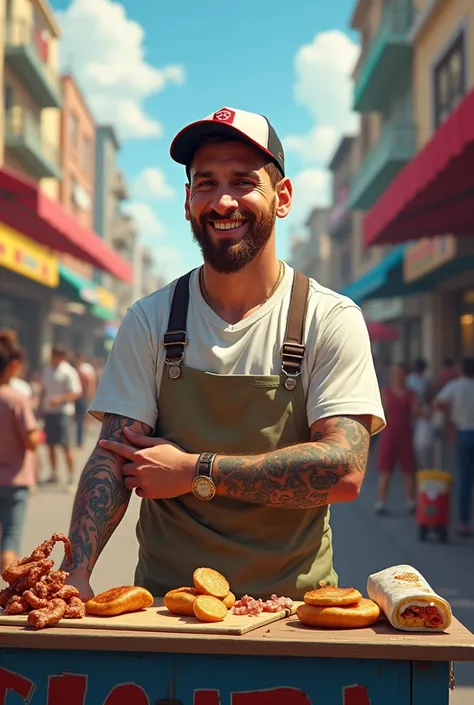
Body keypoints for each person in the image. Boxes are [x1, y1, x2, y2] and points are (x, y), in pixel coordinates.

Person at [62, 106, 386, 601]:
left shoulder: (328, 317)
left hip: (296, 613)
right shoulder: (151, 319)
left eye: (242, 181)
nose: (223, 200)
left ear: (282, 198)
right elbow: (113, 457)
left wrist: (196, 471)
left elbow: (343, 470)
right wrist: (75, 571)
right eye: (206, 183)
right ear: (188, 200)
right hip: (170, 610)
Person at [0, 333, 41, 571]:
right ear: (13, 366)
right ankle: (7, 599)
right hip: (15, 481)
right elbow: (30, 441)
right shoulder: (16, 400)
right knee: (10, 541)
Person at [434, 358, 474, 537]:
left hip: (462, 432)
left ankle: (463, 523)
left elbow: (437, 403)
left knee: (464, 480)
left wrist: (449, 413)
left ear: (460, 370)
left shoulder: (456, 386)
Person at [375, 363, 419, 515]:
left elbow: (417, 411)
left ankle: (410, 501)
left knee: (409, 469)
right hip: (389, 434)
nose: (397, 377)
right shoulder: (386, 393)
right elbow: (381, 413)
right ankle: (381, 502)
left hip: (405, 434)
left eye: (399, 373)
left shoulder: (410, 394)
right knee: (385, 470)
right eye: (394, 374)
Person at [40, 345, 82, 485]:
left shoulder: (68, 371)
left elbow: (76, 392)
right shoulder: (47, 370)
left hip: (63, 413)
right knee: (50, 445)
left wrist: (60, 399)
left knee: (66, 446)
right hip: (49, 412)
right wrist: (41, 406)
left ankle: (71, 475)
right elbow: (44, 390)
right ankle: (53, 474)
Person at [73, 353, 97, 449]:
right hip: (77, 396)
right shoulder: (75, 368)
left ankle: (80, 440)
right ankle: (78, 439)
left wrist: (90, 395)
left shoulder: (86, 368)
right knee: (78, 419)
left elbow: (91, 383)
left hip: (83, 396)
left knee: (81, 419)